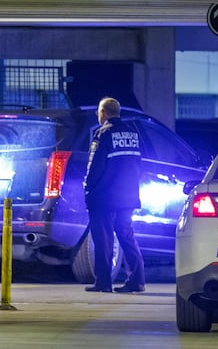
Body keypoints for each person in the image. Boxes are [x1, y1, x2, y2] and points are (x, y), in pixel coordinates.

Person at [83, 97, 145, 294]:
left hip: (104, 197)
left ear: (103, 113)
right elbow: (138, 164)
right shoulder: (133, 133)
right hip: (128, 195)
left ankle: (103, 282)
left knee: (103, 238)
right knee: (126, 235)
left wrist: (88, 189)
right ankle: (137, 280)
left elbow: (94, 167)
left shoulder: (102, 133)